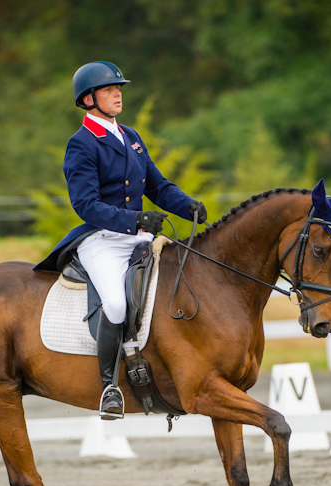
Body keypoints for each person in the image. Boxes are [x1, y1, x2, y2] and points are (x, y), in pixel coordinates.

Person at [34, 61, 207, 419]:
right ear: (88, 99)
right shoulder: (81, 144)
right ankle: (109, 387)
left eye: (119, 88)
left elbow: (157, 186)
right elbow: (86, 204)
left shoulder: (130, 136)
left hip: (139, 237)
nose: (118, 93)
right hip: (102, 239)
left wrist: (186, 204)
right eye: (110, 89)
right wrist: (135, 219)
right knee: (115, 304)